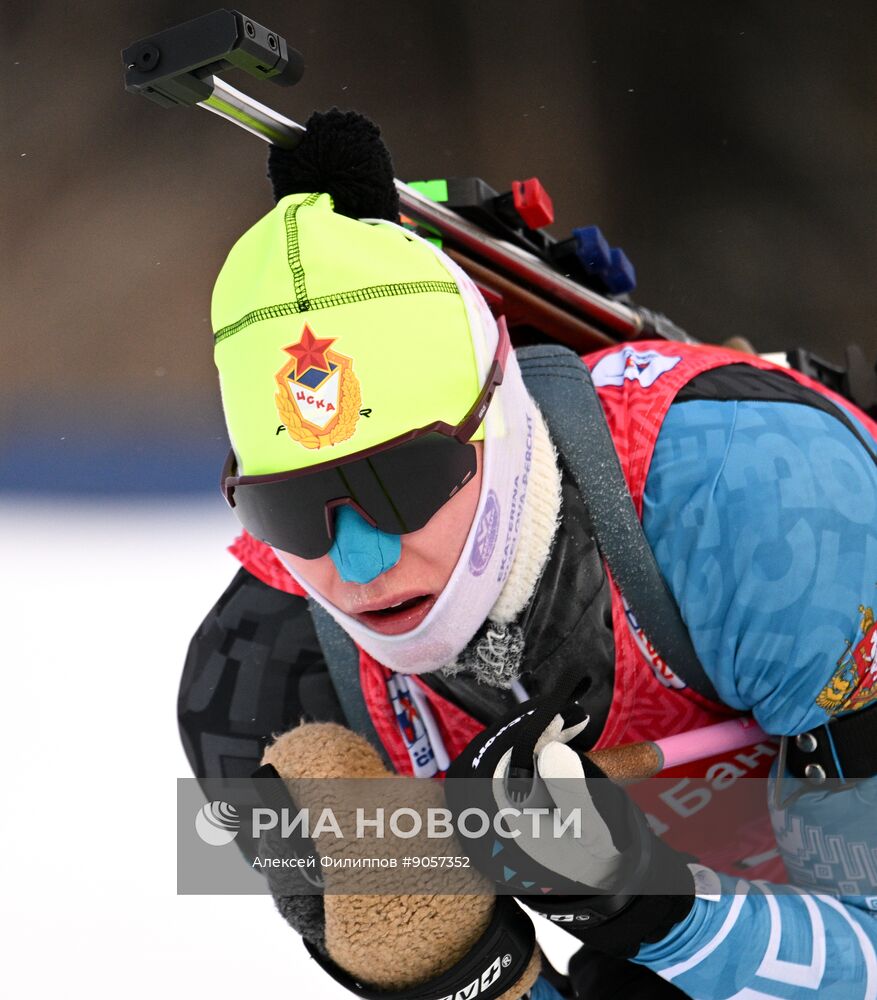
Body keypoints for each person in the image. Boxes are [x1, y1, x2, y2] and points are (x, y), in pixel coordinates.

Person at [178, 111, 877, 999]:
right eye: (291, 510)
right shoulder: (258, 688)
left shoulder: (764, 505)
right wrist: (460, 969)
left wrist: (644, 903)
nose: (355, 564)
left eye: (403, 483)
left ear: (500, 416)